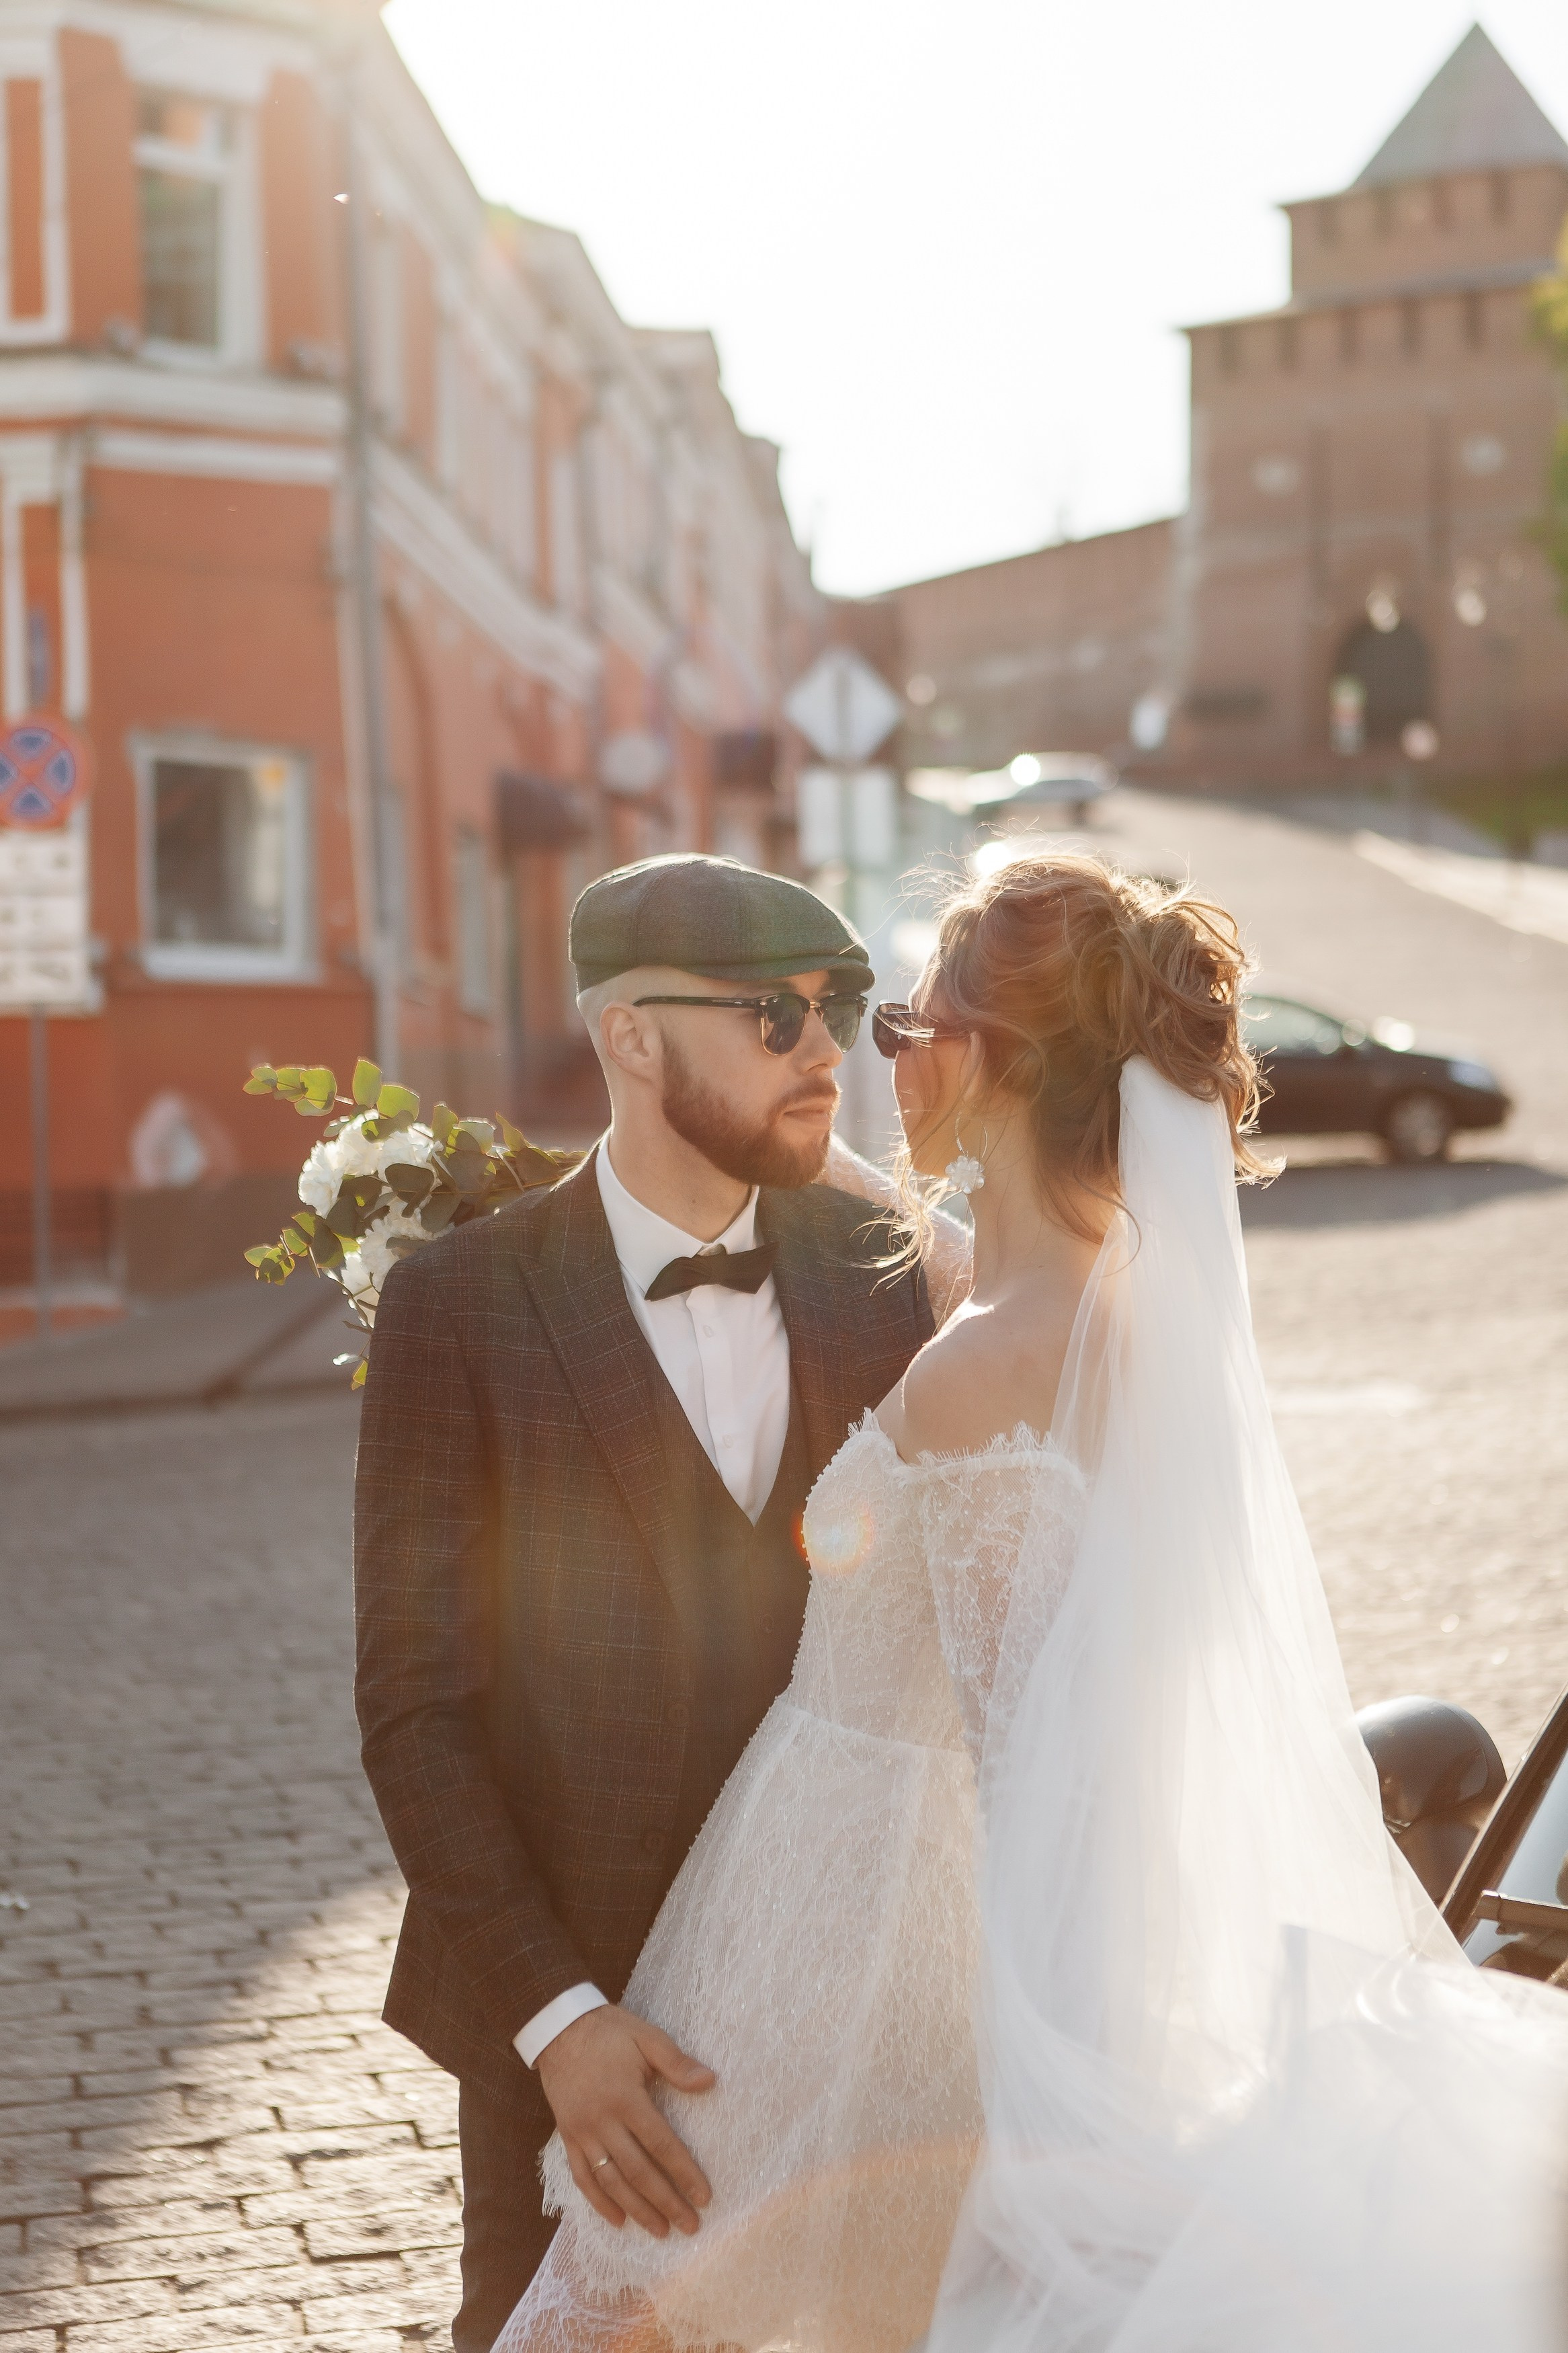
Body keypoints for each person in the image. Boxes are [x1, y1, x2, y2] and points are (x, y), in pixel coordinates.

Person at [500, 847, 1568, 2353]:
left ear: (988, 1061)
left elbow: (1039, 1773)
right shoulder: (1087, 1315)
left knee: (611, 2322)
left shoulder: (991, 1363)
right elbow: (951, 1265)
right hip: (850, 1928)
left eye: (904, 1027)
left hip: (833, 1954)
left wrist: (1067, 2123)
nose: (881, 1061)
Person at [354, 854, 946, 2352]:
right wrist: (561, 2024)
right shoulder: (460, 1304)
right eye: (773, 1013)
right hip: (577, 2033)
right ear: (631, 1036)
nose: (823, 1049)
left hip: (835, 2005)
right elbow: (415, 1709)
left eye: (838, 1008)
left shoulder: (885, 1276)